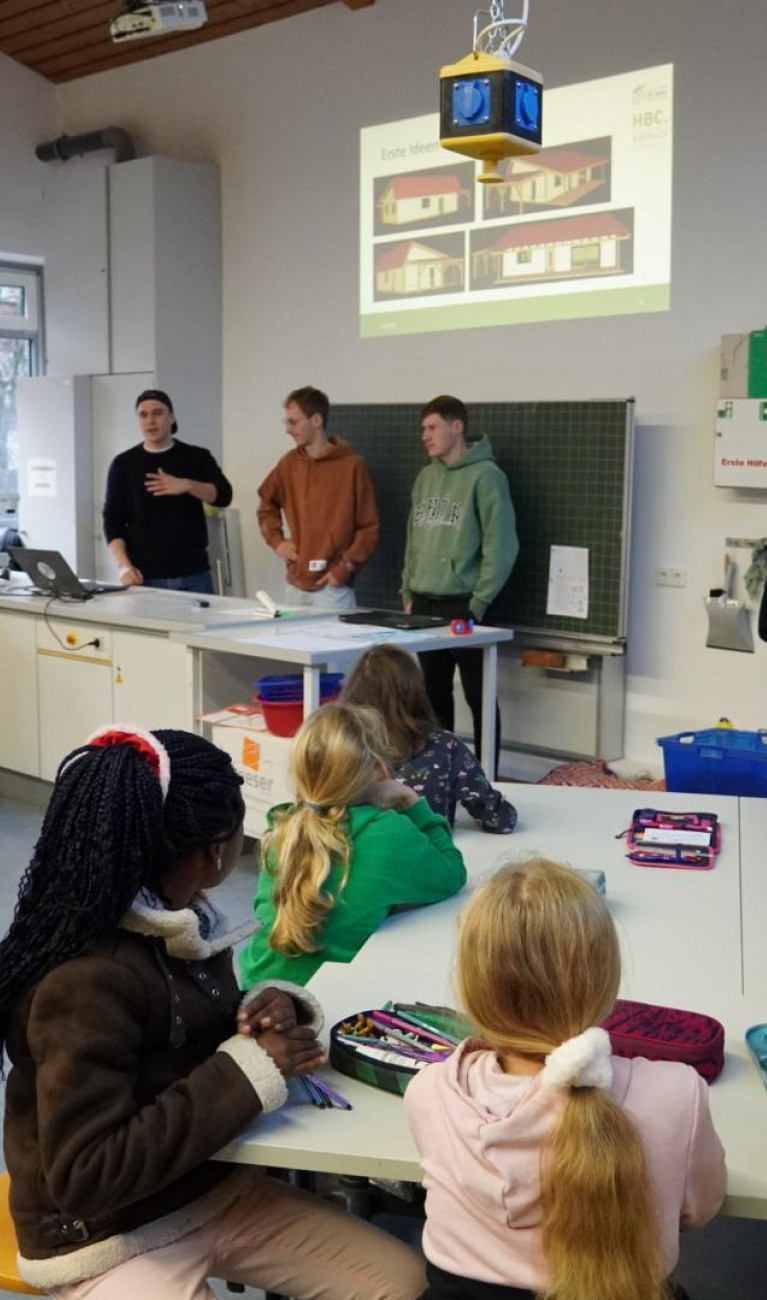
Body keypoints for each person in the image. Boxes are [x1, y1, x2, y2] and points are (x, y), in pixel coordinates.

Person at [0, 725, 426, 1300]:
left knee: (407, 1285)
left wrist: (260, 1013)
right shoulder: (84, 980)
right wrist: (250, 1067)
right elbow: (87, 1174)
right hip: (103, 1235)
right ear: (217, 850)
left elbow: (172, 1043)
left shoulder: (177, 919)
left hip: (206, 1189)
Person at [404, 858, 727, 1300]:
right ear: (606, 978)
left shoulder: (432, 1091)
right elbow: (699, 1210)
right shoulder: (679, 1095)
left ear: (472, 988)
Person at [239, 702, 466, 988]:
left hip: (256, 992)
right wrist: (412, 802)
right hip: (327, 1005)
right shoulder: (389, 834)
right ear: (379, 770)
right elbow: (452, 872)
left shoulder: (282, 825)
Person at [401, 395, 518, 768]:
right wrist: (408, 589)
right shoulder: (425, 476)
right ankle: (442, 772)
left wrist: (478, 602)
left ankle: (487, 779)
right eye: (423, 429)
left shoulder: (487, 476)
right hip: (424, 603)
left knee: (478, 695)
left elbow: (502, 546)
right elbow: (413, 538)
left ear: (457, 427)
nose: (425, 436)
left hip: (465, 603)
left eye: (432, 427)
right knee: (433, 695)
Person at [341, 644, 517, 833]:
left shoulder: (339, 743)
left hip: (355, 855)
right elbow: (499, 819)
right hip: (427, 853)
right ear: (417, 692)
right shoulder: (446, 747)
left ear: (352, 692)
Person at [257, 386, 379, 612]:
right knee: (291, 645)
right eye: (287, 422)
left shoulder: (352, 466)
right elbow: (266, 505)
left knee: (337, 645)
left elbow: (368, 528)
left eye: (294, 422)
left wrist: (345, 568)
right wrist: (278, 542)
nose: (288, 429)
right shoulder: (288, 464)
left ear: (316, 420)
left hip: (332, 589)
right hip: (295, 584)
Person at [103, 389, 233, 594]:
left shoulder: (196, 457)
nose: (150, 421)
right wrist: (124, 565)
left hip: (193, 574)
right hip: (144, 576)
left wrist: (189, 485)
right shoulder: (124, 464)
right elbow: (112, 521)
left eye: (158, 413)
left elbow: (224, 496)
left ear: (171, 417)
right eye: (143, 415)